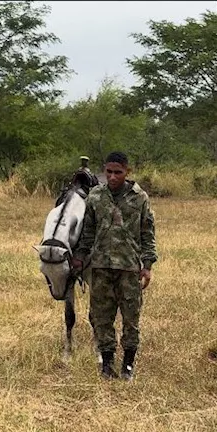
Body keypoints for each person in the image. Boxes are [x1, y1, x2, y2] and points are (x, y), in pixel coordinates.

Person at [70, 151, 157, 380]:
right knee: (101, 316)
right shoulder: (95, 196)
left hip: (129, 268)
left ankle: (128, 364)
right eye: (108, 172)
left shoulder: (140, 198)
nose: (112, 177)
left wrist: (147, 265)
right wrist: (79, 257)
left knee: (131, 317)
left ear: (127, 172)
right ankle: (107, 363)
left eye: (118, 172)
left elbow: (147, 233)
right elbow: (87, 233)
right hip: (100, 267)